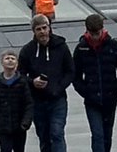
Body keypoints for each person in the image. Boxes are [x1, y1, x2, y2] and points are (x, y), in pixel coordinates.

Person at [17, 14, 74, 152]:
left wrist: (59, 88)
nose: (42, 31)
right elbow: (20, 75)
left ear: (49, 28)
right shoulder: (28, 50)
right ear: (34, 31)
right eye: (38, 29)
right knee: (43, 136)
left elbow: (70, 71)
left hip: (57, 99)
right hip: (37, 100)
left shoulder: (61, 47)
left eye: (44, 28)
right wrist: (32, 82)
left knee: (57, 132)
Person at [72, 13, 117, 152]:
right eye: (92, 33)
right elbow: (75, 75)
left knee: (107, 135)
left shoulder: (114, 46)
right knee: (97, 135)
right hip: (92, 100)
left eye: (97, 33)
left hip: (110, 97)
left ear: (103, 29)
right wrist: (85, 91)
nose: (95, 37)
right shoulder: (81, 49)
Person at [0, 48, 34, 152]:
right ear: (2, 62)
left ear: (17, 63)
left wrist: (26, 122)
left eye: (13, 58)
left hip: (20, 126)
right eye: (7, 58)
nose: (10, 60)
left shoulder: (22, 82)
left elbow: (29, 104)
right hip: (3, 126)